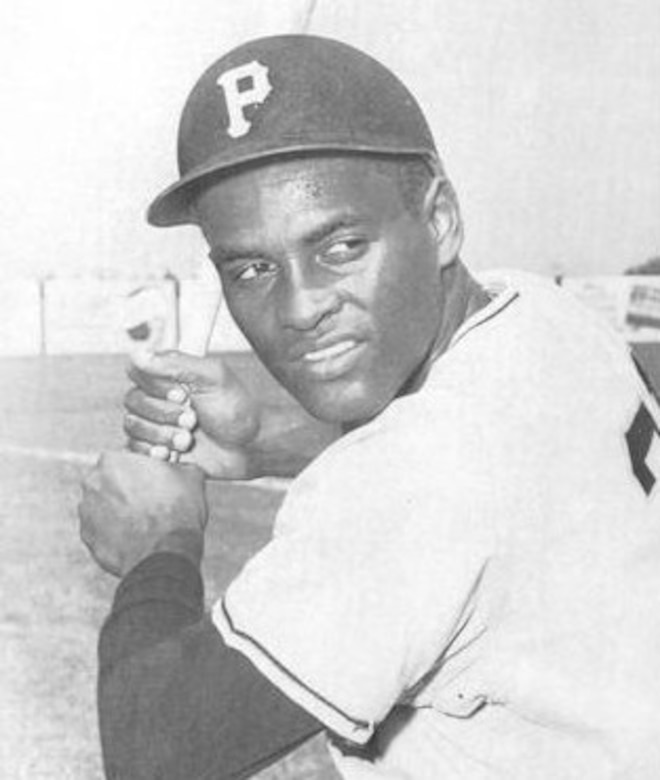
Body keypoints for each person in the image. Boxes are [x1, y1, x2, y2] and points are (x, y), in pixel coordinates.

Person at [78, 34, 660, 779]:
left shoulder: (414, 483)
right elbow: (465, 453)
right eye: (252, 268)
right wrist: (262, 440)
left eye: (342, 245)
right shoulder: (539, 315)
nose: (299, 306)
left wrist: (159, 547)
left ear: (440, 218)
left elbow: (157, 748)